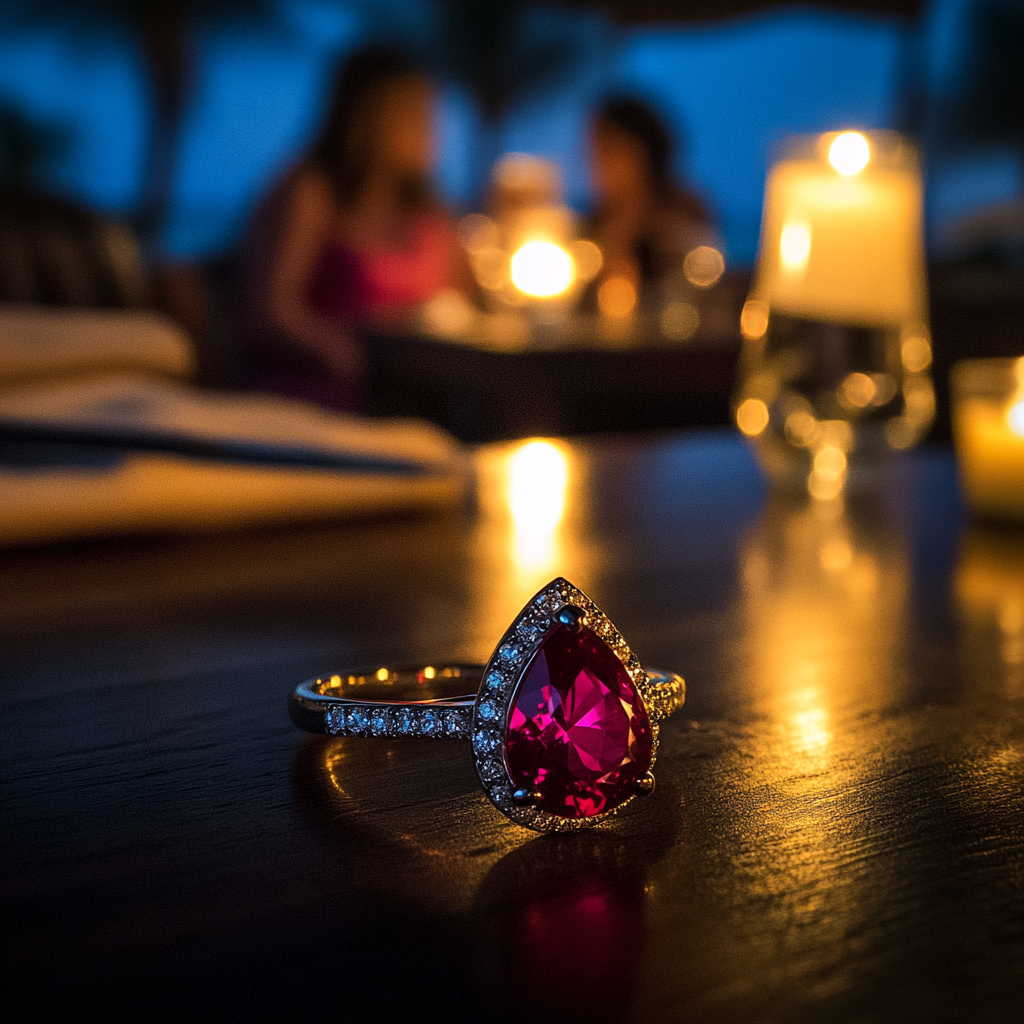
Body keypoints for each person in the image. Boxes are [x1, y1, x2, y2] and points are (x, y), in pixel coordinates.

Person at [237, 48, 468, 411]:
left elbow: (460, 302)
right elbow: (269, 310)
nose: (429, 128)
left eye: (431, 113)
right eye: (413, 113)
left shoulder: (428, 210)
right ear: (367, 117)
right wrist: (340, 351)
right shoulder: (310, 192)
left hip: (415, 387)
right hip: (320, 389)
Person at [587, 97, 713, 294]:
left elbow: (701, 284)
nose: (598, 164)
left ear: (642, 151)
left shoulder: (683, 215)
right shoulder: (592, 224)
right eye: (595, 152)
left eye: (609, 150)